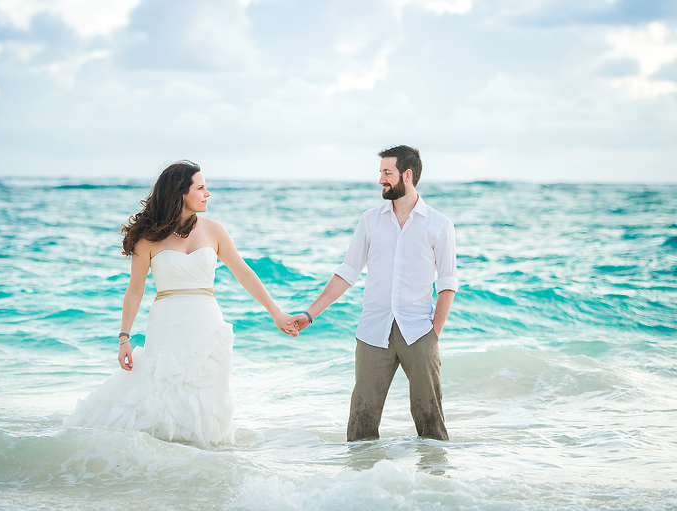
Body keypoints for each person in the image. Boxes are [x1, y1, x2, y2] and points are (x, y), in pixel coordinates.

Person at [63, 160, 298, 445]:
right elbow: (135, 290)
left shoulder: (214, 230)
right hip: (167, 322)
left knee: (205, 394)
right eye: (200, 187)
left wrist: (276, 312)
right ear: (181, 193)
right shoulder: (148, 237)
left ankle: (199, 462)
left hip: (206, 322)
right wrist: (124, 337)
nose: (207, 193)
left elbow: (245, 274)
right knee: (158, 391)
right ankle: (153, 460)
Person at [289, 145, 457, 441]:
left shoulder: (439, 225)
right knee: (361, 422)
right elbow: (347, 273)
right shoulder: (370, 220)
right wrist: (309, 314)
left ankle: (434, 483)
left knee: (430, 421)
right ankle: (361, 483)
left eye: (386, 173)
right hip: (372, 330)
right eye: (380, 172)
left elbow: (447, 283)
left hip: (418, 331)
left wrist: (434, 334)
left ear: (407, 175)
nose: (380, 179)